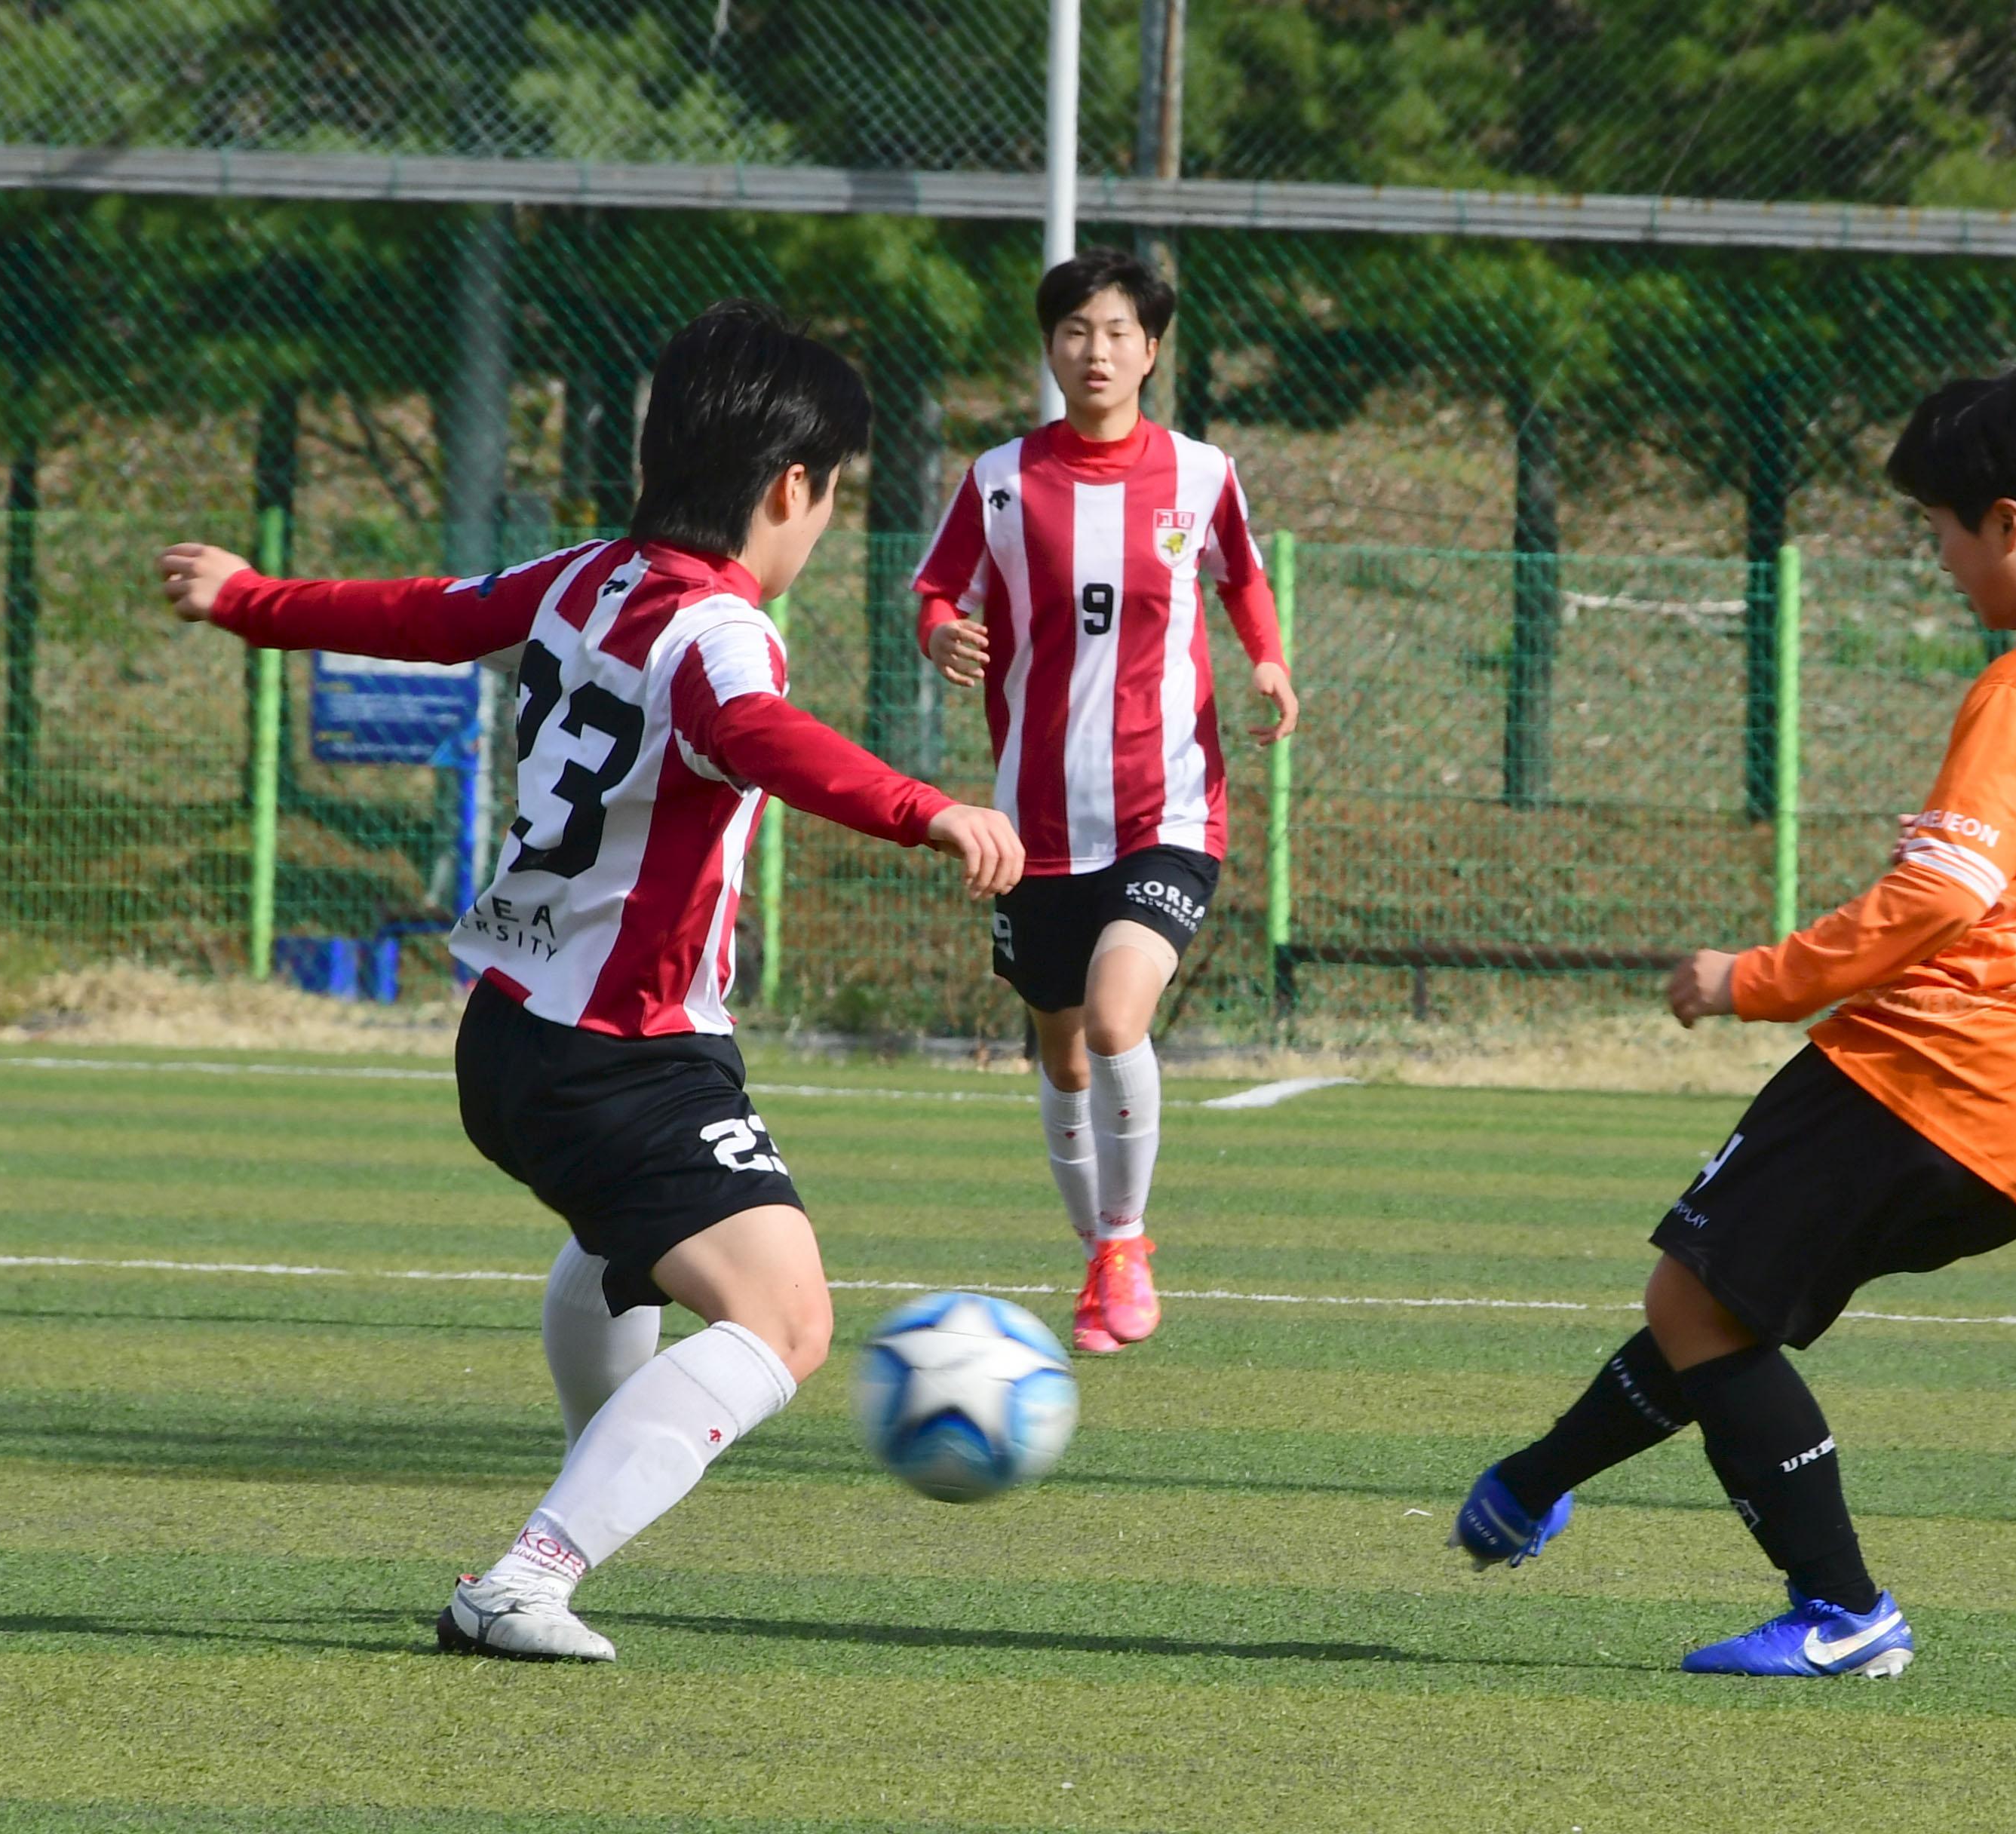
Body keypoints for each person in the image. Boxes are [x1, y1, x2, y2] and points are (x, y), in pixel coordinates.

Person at [157, 300, 1025, 1663]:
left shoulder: (581, 578)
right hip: (622, 1050)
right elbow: (764, 736)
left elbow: (422, 616)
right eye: (832, 499)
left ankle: (599, 1476)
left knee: (625, 1251)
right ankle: (526, 1577)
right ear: (791, 487)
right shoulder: (719, 632)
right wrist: (931, 811)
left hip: (506, 1042)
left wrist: (251, 602)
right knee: (787, 1318)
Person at [1447, 365, 2016, 1679]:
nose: (1938, 561)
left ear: (2010, 523)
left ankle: (1843, 1610)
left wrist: (1746, 979)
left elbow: (1936, 901)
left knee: (1699, 1302)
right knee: (1719, 1298)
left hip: (1937, 1069)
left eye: (1936, 530)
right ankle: (1529, 1488)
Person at [911, 247, 1297, 1357]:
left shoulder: (1202, 474)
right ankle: (1099, 1254)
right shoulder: (998, 480)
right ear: (1051, 347)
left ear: (1153, 350)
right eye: (1077, 330)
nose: (1097, 350)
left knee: (1120, 1019)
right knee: (1064, 1052)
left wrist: (1267, 661)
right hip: (1032, 824)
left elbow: (1242, 576)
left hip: (1167, 809)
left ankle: (1124, 1242)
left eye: (1119, 330)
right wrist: (942, 630)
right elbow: (938, 587)